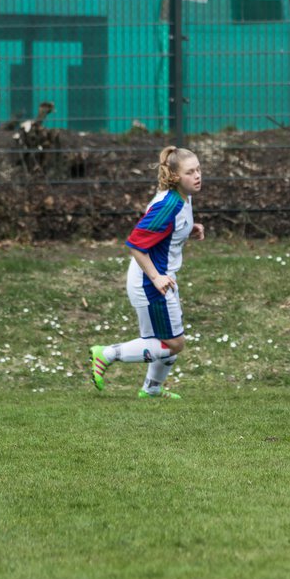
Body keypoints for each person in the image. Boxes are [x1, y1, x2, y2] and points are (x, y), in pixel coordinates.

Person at [89, 145, 205, 399]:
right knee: (174, 343)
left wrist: (188, 229)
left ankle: (152, 390)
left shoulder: (183, 197)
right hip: (150, 280)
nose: (197, 176)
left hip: (159, 278)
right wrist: (155, 277)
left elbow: (166, 230)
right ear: (175, 177)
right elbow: (135, 244)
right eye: (190, 172)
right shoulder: (168, 205)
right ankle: (106, 354)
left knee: (164, 339)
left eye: (198, 169)